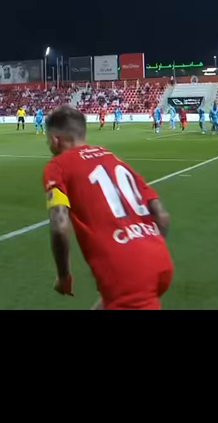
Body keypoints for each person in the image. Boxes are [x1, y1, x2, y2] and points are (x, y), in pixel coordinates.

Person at [42, 106, 174, 310]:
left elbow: (59, 225)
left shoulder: (58, 166)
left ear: (55, 140)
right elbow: (162, 216)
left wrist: (64, 276)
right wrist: (145, 251)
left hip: (126, 271)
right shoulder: (111, 157)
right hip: (160, 259)